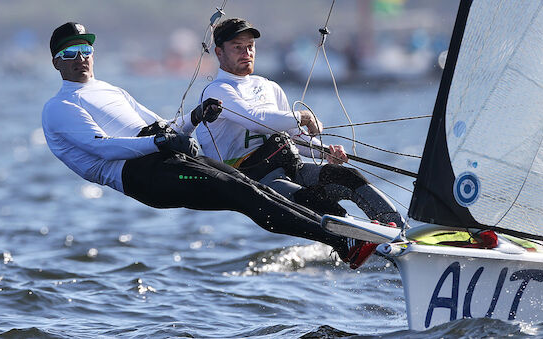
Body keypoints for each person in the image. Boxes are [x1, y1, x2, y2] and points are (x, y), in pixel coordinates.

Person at [42, 22, 376, 269]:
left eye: (86, 50)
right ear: (57, 62)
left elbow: (169, 128)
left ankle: (350, 232)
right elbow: (105, 148)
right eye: (70, 53)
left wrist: (196, 117)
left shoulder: (110, 90)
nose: (80, 58)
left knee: (253, 187)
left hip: (166, 159)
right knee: (244, 194)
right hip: (142, 176)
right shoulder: (59, 107)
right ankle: (343, 242)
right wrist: (161, 142)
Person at [196, 18, 404, 227]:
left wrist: (325, 152)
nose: (246, 53)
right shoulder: (217, 90)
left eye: (250, 46)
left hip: (288, 167)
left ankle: (399, 230)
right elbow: (256, 121)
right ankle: (363, 239)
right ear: (219, 52)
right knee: (319, 205)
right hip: (252, 182)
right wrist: (303, 117)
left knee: (348, 177)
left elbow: (294, 137)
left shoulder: (269, 87)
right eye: (237, 47)